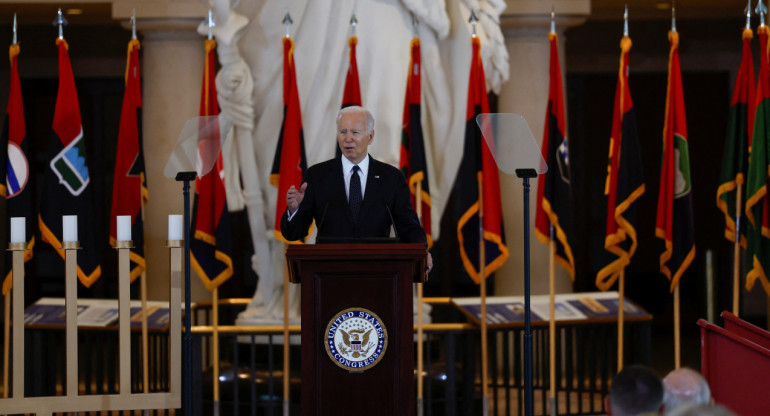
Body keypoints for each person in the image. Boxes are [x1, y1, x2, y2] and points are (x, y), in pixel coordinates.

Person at [281, 106, 433, 272]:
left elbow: (408, 225)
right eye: (343, 131)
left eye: (355, 132)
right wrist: (294, 211)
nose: (348, 138)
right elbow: (294, 233)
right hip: (328, 273)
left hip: (379, 274)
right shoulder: (317, 176)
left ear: (371, 136)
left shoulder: (391, 178)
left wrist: (421, 251)